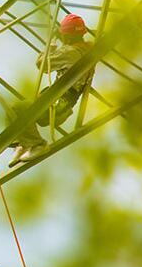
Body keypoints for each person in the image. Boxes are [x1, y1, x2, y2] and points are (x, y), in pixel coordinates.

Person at [8, 13, 94, 167]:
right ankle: (24, 142)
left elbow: (42, 64)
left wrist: (51, 45)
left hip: (57, 104)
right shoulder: (86, 51)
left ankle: (36, 144)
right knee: (18, 111)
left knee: (18, 108)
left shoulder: (70, 52)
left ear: (67, 37)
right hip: (64, 103)